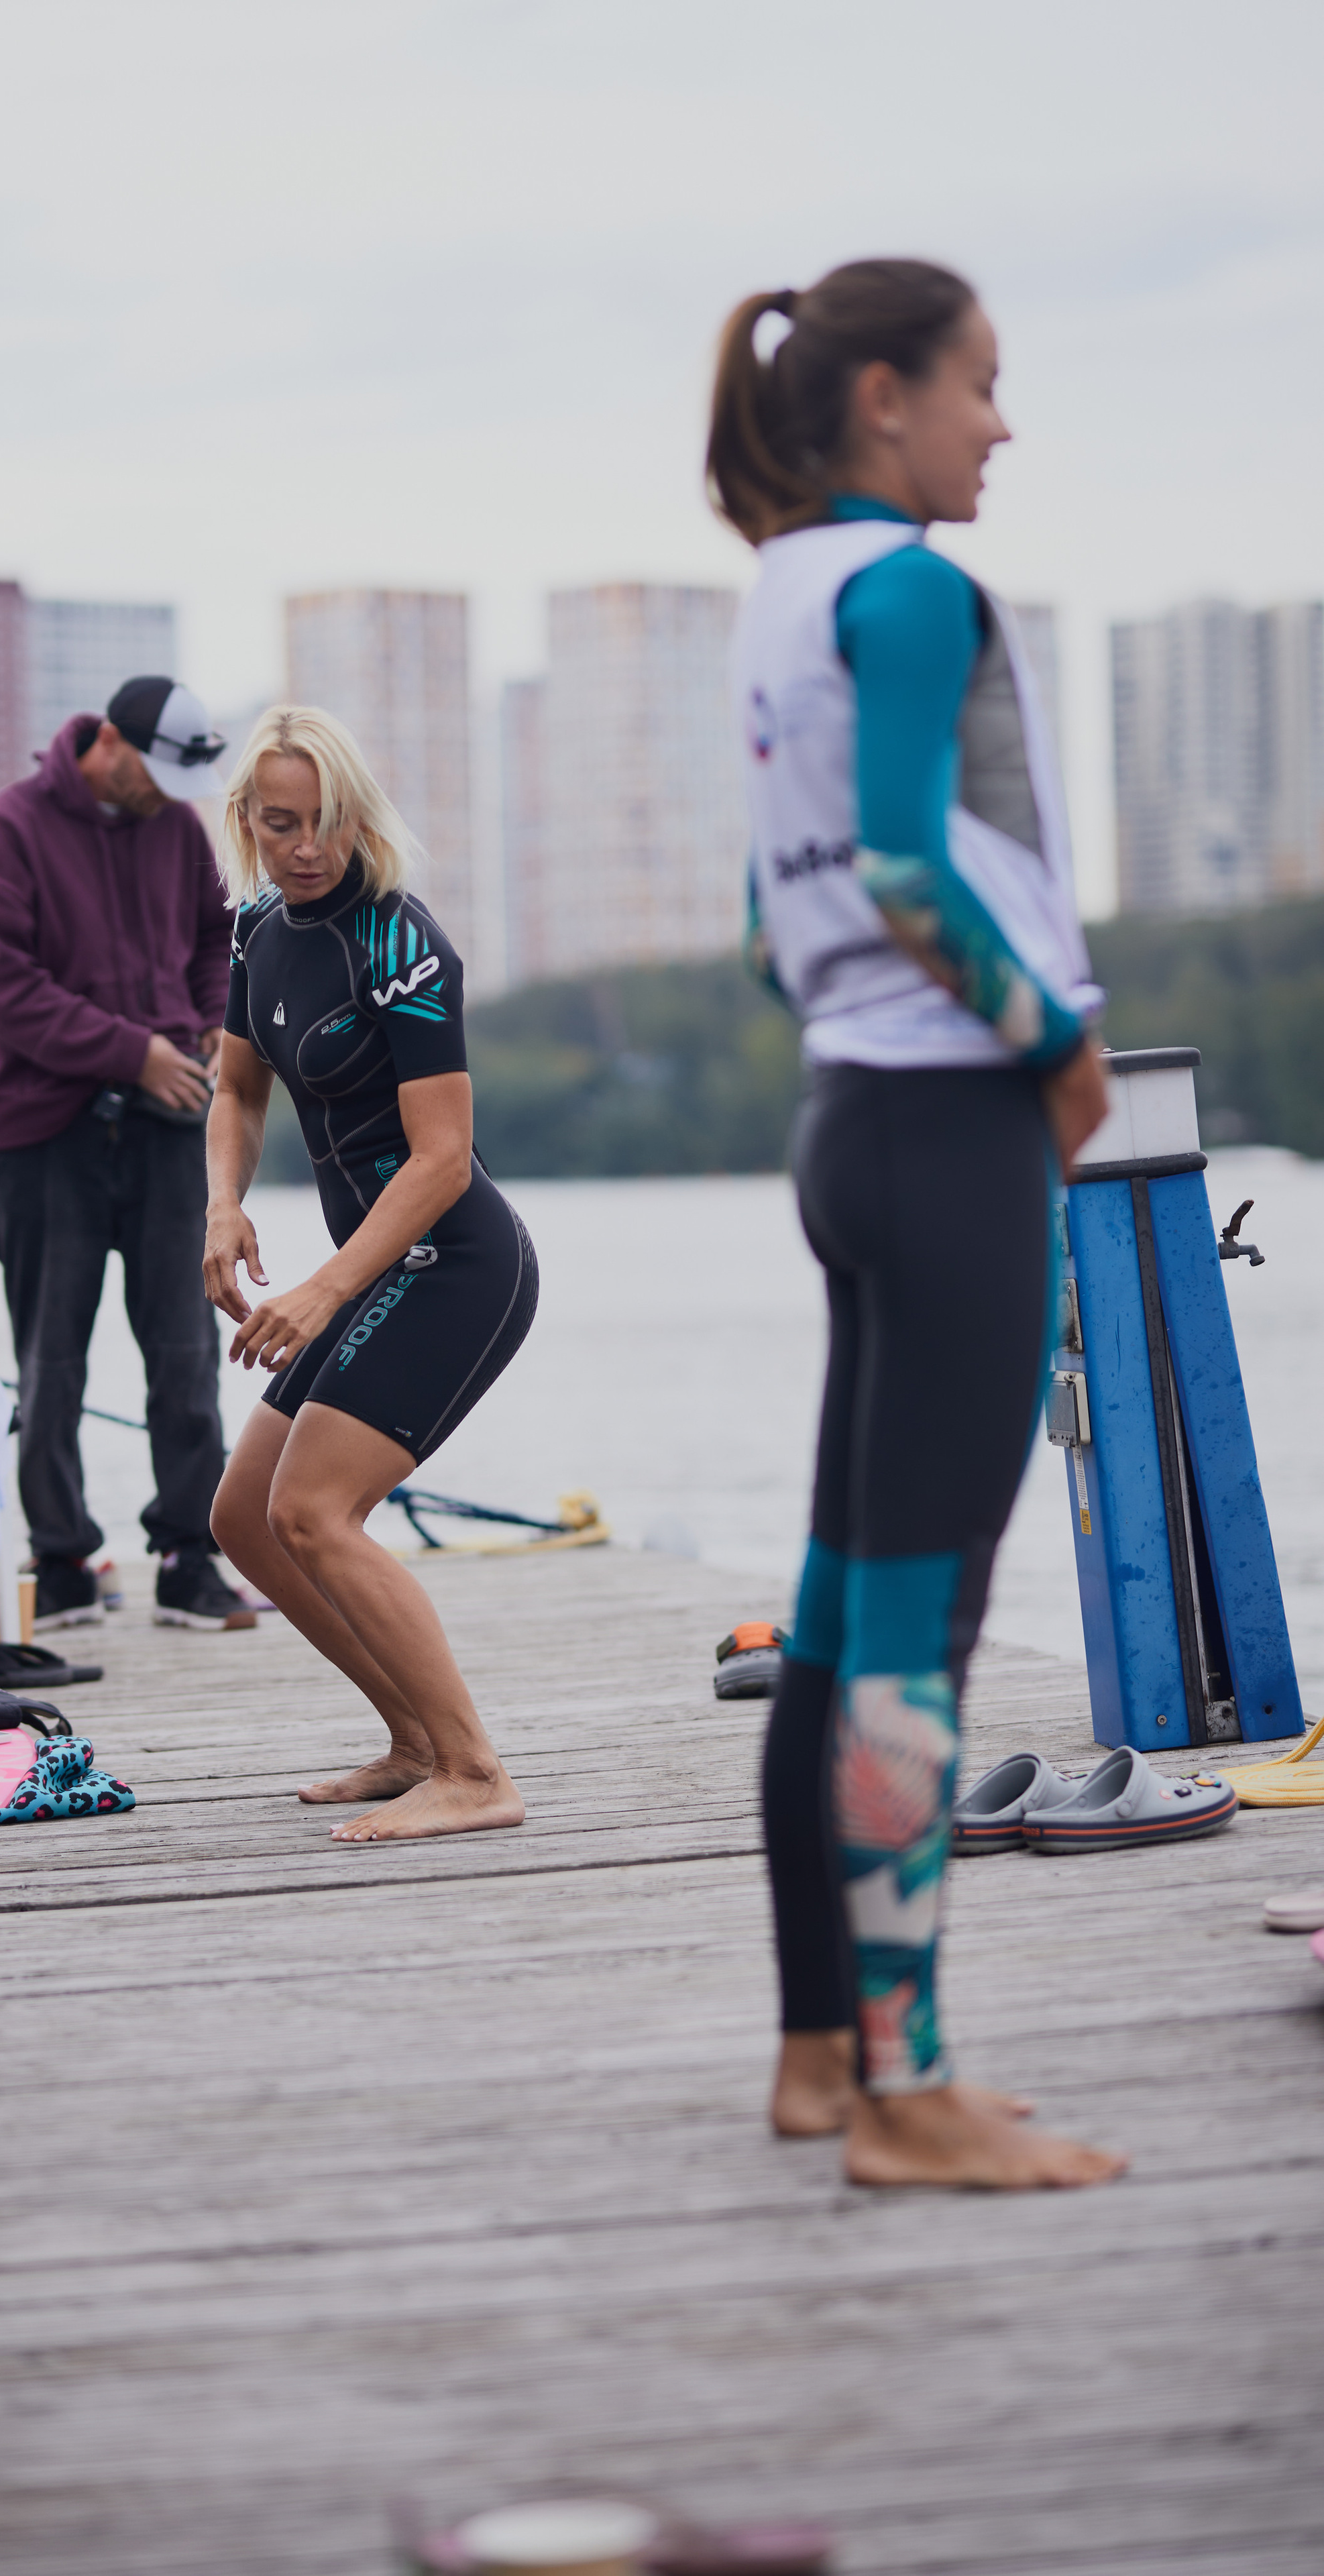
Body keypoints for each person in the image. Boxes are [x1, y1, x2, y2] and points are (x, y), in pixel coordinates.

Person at [708, 259, 1125, 2189]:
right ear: (884, 395)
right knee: (920, 1642)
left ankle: (821, 2059)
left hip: (848, 1119)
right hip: (949, 1125)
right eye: (982, 384)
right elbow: (899, 864)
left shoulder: (779, 599)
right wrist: (1053, 1046)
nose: (1000, 424)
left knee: (845, 1619)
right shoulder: (905, 586)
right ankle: (909, 2092)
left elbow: (779, 901)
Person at [203, 706, 536, 1841]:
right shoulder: (254, 933)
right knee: (243, 1517)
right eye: (282, 823)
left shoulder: (401, 943)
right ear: (246, 822)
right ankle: (414, 1745)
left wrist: (322, 1289)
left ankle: (478, 1775)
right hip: (372, 1269)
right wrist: (223, 1202)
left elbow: (443, 1160)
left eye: (327, 822)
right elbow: (239, 1088)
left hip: (457, 1264)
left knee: (314, 1509)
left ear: (358, 816)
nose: (307, 847)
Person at [0, 676, 256, 1635]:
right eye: (156, 774)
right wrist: (133, 1050)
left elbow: (217, 934)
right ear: (112, 746)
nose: (169, 796)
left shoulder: (174, 826)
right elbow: (9, 989)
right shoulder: (5, 830)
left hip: (170, 1121)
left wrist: (213, 1019)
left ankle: (188, 1557)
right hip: (45, 1131)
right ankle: (63, 1560)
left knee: (184, 1345)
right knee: (51, 1357)